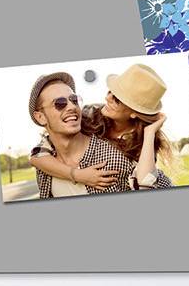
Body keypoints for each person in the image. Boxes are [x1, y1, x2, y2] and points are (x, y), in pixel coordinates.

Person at [23, 71, 130, 199]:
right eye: (60, 103)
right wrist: (77, 175)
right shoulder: (45, 165)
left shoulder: (114, 158)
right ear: (40, 117)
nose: (72, 107)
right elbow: (35, 156)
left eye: (74, 100)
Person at [90, 61, 175, 189]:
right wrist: (77, 175)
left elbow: (145, 183)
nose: (108, 98)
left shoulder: (142, 141)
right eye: (110, 92)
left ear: (134, 113)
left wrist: (150, 132)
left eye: (117, 100)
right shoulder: (90, 115)